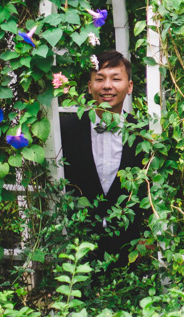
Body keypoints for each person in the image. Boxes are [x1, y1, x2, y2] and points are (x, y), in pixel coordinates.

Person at [59, 50, 148, 268]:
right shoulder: (64, 130)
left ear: (129, 87)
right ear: (89, 87)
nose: (107, 86)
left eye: (116, 79)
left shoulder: (144, 135)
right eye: (100, 79)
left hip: (132, 255)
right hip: (76, 253)